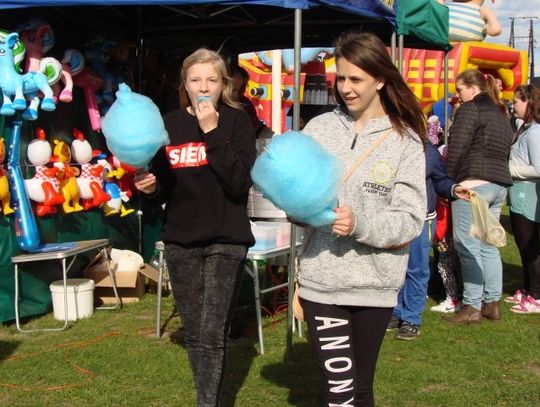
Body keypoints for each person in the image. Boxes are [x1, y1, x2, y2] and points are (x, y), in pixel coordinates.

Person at [297, 31, 428, 406]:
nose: (346, 88)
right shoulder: (318, 130)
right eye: (341, 78)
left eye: (356, 79)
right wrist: (299, 206)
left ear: (381, 80)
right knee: (340, 390)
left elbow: (409, 219)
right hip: (322, 281)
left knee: (360, 387)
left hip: (376, 284)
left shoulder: (405, 141)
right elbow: (296, 205)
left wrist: (360, 225)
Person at [134, 48, 256, 407]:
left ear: (224, 85)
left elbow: (239, 183)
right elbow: (164, 188)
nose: (203, 87)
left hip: (226, 239)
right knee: (196, 333)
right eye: (196, 80)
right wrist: (150, 188)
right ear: (184, 85)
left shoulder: (237, 122)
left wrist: (212, 131)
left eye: (212, 80)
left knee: (212, 333)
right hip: (181, 240)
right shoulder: (169, 124)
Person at [444, 68, 513, 324]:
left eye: (460, 90)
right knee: (487, 244)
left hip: (473, 183)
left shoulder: (470, 109)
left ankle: (472, 305)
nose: (458, 95)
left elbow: (457, 147)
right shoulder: (501, 112)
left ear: (473, 88)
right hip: (499, 183)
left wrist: (449, 182)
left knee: (467, 244)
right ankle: (492, 303)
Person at [388, 142, 470, 340]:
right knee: (395, 267)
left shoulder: (429, 151)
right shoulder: (390, 145)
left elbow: (440, 180)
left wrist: (453, 189)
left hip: (421, 219)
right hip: (394, 218)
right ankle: (396, 312)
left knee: (416, 269)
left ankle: (411, 319)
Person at [506, 84, 540, 314]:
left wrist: (512, 170)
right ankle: (528, 289)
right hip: (519, 193)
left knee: (530, 245)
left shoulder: (535, 131)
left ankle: (536, 296)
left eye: (516, 101)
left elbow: (538, 168)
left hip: (527, 193)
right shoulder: (525, 128)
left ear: (529, 102)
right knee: (522, 243)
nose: (512, 105)